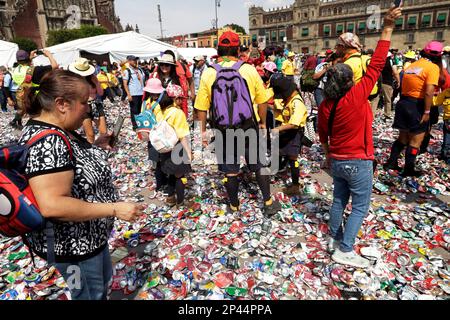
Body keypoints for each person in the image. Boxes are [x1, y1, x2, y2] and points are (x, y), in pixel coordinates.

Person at [18, 70, 143, 300]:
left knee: (98, 288)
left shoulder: (59, 130)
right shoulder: (48, 141)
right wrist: (115, 209)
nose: (88, 108)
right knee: (87, 294)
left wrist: (95, 146)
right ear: (62, 104)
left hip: (89, 239)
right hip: (73, 248)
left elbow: (68, 165)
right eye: (84, 102)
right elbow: (53, 205)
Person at [318, 7, 402, 268]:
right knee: (360, 207)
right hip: (358, 160)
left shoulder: (325, 106)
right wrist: (387, 27)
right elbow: (377, 63)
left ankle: (334, 238)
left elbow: (323, 136)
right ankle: (345, 249)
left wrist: (328, 155)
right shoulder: (356, 96)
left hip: (337, 160)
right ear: (348, 82)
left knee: (339, 200)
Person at [194, 30, 281, 216]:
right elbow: (262, 100)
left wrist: (201, 132)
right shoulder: (248, 69)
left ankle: (234, 206)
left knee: (230, 169)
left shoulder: (209, 73)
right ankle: (267, 202)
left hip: (222, 128)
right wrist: (263, 123)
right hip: (248, 125)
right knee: (258, 164)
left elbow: (201, 107)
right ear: (236, 48)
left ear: (219, 48)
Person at [384, 41, 443, 176]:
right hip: (417, 105)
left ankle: (391, 163)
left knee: (403, 137)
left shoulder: (412, 66)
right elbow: (429, 91)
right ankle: (408, 170)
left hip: (404, 103)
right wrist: (427, 111)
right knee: (416, 140)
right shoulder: (432, 68)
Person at [152, 85, 192, 207]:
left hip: (164, 148)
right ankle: (180, 202)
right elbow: (182, 136)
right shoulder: (178, 113)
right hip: (177, 149)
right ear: (175, 98)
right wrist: (189, 153)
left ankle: (170, 198)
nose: (182, 101)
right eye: (180, 98)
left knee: (171, 174)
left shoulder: (159, 110)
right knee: (180, 176)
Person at [271, 76, 308, 195]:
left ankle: (295, 185)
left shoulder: (297, 103)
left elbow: (294, 123)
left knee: (293, 158)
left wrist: (278, 129)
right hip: (286, 131)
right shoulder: (289, 100)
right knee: (280, 152)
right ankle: (277, 169)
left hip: (294, 133)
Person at [7, 49, 58, 129]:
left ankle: (16, 122)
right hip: (34, 94)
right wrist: (49, 55)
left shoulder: (16, 69)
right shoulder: (36, 70)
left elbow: (25, 67)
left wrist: (30, 58)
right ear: (28, 59)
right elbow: (55, 66)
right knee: (36, 113)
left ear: (17, 60)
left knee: (23, 110)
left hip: (21, 92)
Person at [335, 33, 381, 113]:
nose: (336, 48)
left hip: (353, 106)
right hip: (367, 101)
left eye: (337, 46)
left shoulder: (347, 65)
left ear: (343, 47)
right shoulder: (366, 58)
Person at [69, 58, 107, 144]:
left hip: (95, 104)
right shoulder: (74, 81)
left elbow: (100, 93)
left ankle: (104, 149)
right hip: (83, 106)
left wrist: (97, 82)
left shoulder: (92, 78)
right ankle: (92, 151)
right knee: (90, 135)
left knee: (103, 132)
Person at [162, 50, 194, 118]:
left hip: (180, 99)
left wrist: (192, 93)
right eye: (162, 64)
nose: (164, 66)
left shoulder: (182, 66)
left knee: (181, 116)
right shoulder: (160, 68)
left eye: (167, 64)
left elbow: (190, 79)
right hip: (164, 102)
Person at [123, 55, 145, 130]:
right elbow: (125, 84)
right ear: (129, 61)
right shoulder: (127, 71)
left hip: (142, 93)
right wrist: (128, 94)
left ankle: (141, 124)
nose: (135, 61)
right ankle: (135, 126)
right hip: (133, 94)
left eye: (136, 60)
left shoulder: (140, 70)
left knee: (141, 110)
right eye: (133, 60)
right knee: (134, 110)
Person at [380, 51, 400, 118]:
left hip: (380, 82)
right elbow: (395, 72)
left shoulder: (381, 62)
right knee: (388, 100)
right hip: (387, 82)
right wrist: (398, 81)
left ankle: (372, 113)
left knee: (376, 99)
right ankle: (387, 114)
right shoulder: (391, 62)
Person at [434, 88, 450, 163]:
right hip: (448, 122)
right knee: (447, 141)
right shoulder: (445, 93)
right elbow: (435, 102)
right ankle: (444, 156)